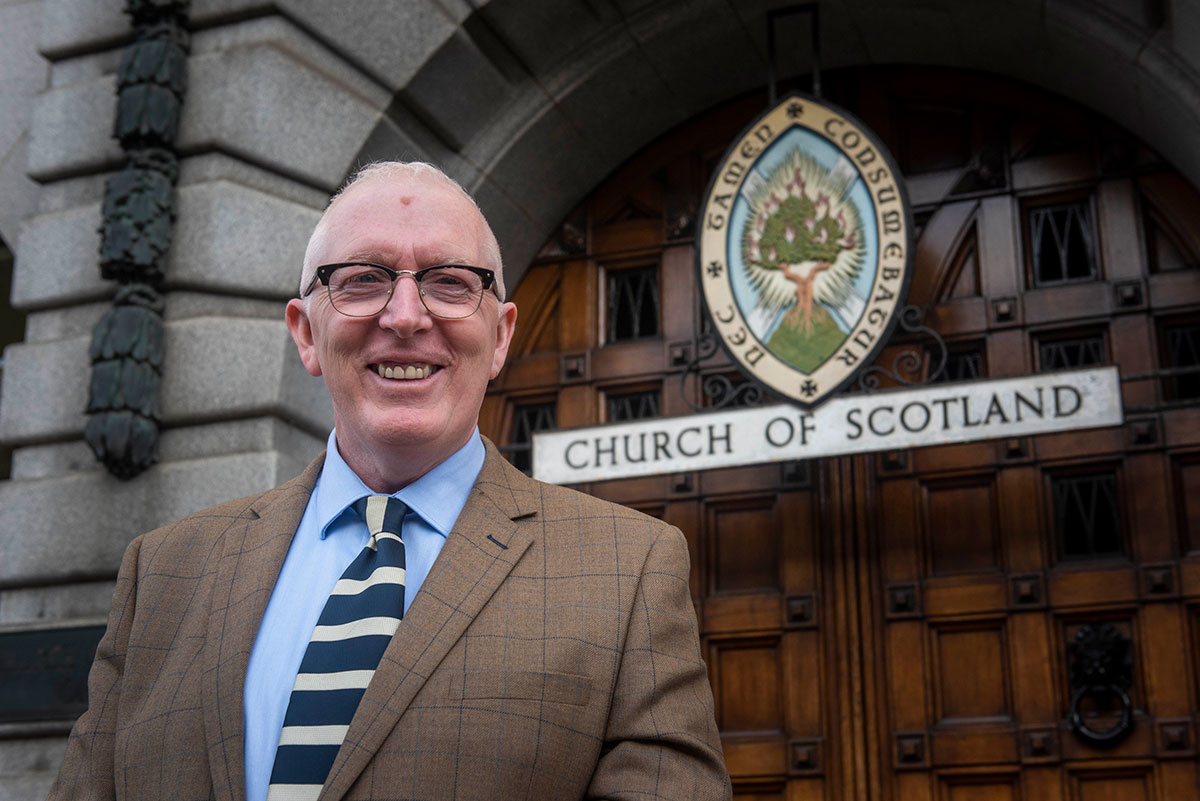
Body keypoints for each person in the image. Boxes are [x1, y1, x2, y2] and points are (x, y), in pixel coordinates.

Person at [48, 161, 731, 801]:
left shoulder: (628, 568)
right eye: (362, 279)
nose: (405, 316)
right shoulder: (164, 571)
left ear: (500, 336)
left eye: (450, 281)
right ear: (306, 332)